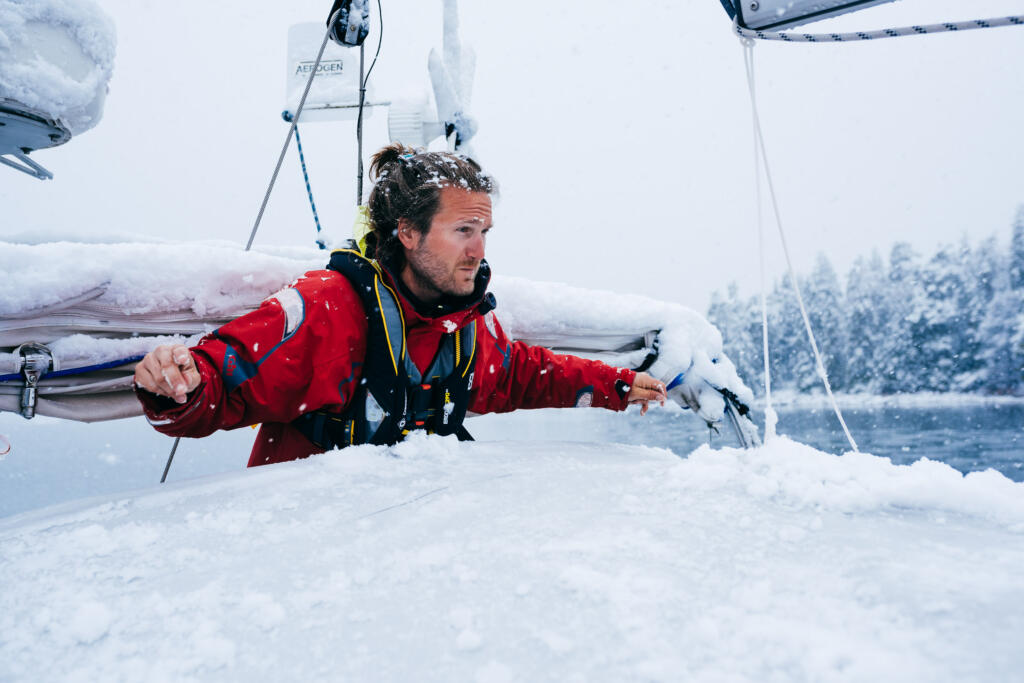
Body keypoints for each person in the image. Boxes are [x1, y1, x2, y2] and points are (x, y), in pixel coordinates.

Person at [134, 144, 668, 467]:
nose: (479, 249)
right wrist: (179, 384)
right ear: (407, 233)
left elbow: (521, 375)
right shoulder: (328, 310)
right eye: (463, 230)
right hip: (308, 540)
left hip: (415, 534)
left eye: (483, 230)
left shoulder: (460, 321)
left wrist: (612, 384)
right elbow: (226, 381)